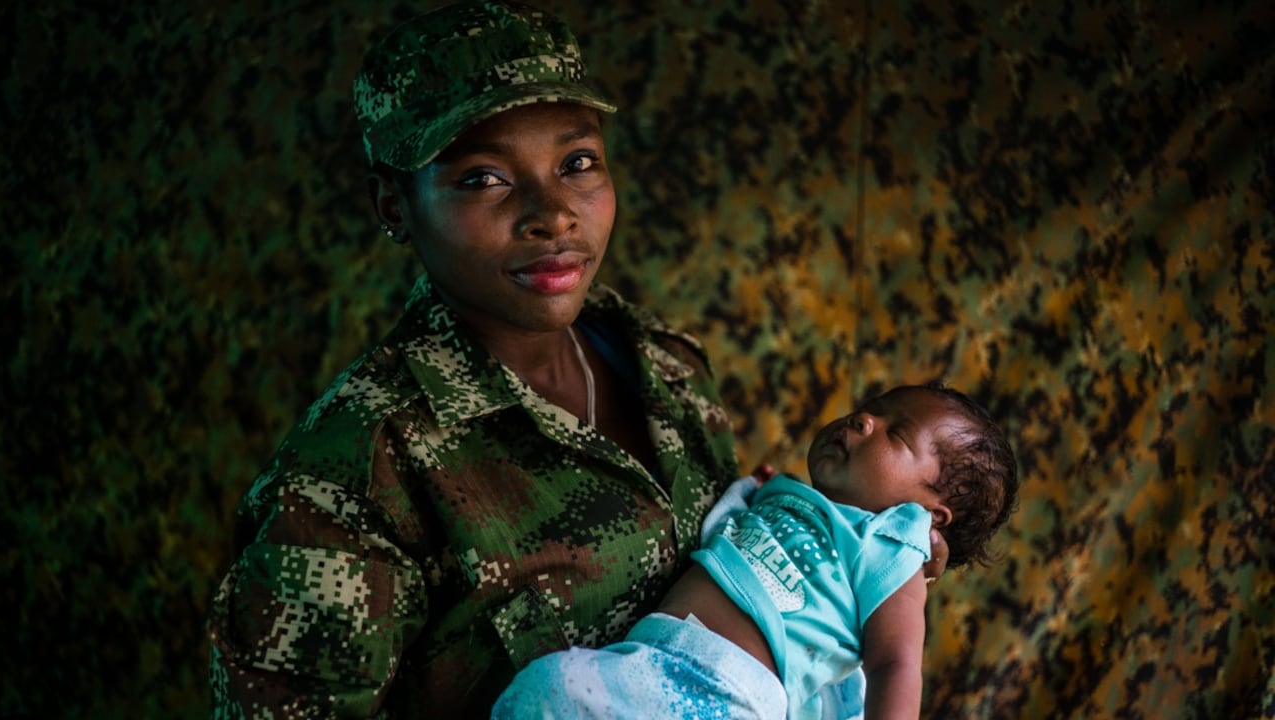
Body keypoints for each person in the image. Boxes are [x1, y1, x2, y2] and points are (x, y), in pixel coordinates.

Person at [206, 2, 946, 717]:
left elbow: (736, 583)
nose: (552, 212)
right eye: (482, 177)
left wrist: (863, 547)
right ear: (395, 207)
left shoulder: (666, 367)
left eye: (578, 161)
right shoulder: (358, 469)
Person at [494, 383, 1018, 720]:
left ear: (930, 515)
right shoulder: (784, 494)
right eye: (872, 410)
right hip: (652, 655)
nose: (862, 421)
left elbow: (896, 663)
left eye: (897, 435)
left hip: (730, 689)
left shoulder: (892, 550)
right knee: (547, 690)